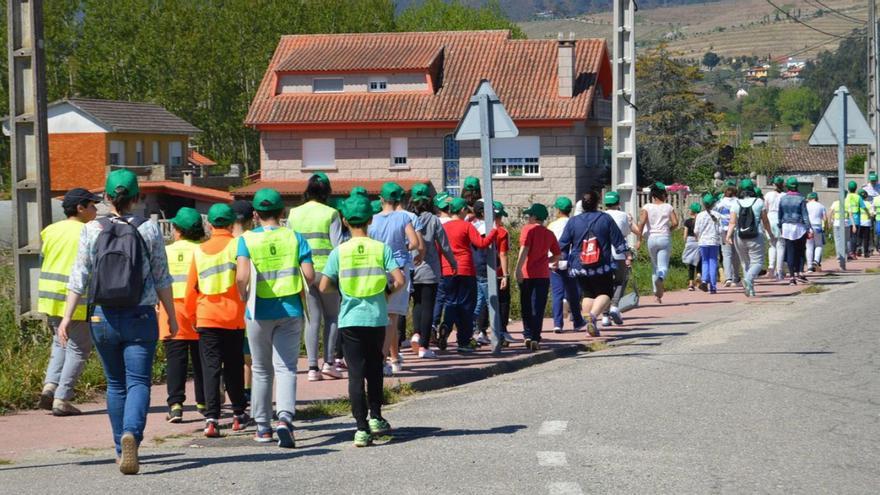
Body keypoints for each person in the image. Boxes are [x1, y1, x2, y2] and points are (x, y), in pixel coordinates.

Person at [59, 169, 177, 474]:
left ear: (107, 198)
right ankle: (132, 437)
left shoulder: (91, 229)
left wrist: (67, 318)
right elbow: (162, 277)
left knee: (115, 383)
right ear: (138, 197)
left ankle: (118, 447)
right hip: (140, 315)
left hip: (102, 315)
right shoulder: (149, 229)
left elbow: (79, 276)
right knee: (138, 381)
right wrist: (171, 317)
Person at [319, 195, 404, 447]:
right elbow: (399, 280)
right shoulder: (381, 248)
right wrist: (385, 292)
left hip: (349, 319)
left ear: (344, 221)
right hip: (376, 318)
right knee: (375, 367)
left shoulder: (339, 252)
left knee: (355, 374)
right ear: (370, 220)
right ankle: (377, 416)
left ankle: (360, 428)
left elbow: (324, 286)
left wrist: (344, 289)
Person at [236, 188, 314, 448]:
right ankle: (285, 419)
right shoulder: (295, 237)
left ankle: (262, 426)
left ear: (255, 214)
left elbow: (242, 276)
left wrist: (242, 295)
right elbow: (310, 275)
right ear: (283, 212)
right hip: (290, 309)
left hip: (257, 310)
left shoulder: (247, 239)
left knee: (260, 368)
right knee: (286, 367)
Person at [184, 203, 249, 438]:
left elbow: (191, 287)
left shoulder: (199, 250)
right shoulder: (237, 245)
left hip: (206, 316)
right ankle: (238, 415)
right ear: (232, 223)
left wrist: (192, 315)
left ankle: (211, 419)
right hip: (233, 317)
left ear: (209, 225)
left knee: (210, 368)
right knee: (233, 366)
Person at [37, 188, 101, 416]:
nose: (95, 210)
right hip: (75, 298)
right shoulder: (89, 232)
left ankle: (50, 386)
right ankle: (62, 398)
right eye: (92, 205)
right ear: (80, 208)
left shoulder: (49, 231)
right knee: (79, 348)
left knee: (60, 342)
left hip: (49, 296)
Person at [288, 173, 344, 381]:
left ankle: (312, 368)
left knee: (312, 320)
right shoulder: (331, 213)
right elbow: (337, 245)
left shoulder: (294, 213)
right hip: (327, 272)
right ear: (327, 192)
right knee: (332, 316)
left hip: (304, 272)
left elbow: (290, 243)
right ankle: (328, 362)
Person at [559, 191, 631, 337]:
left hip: (579, 265)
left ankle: (590, 327)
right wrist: (627, 254)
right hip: (601, 264)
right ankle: (592, 316)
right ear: (597, 204)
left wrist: (561, 260)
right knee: (606, 293)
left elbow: (563, 244)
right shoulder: (605, 219)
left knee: (588, 294)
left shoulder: (573, 221)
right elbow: (618, 241)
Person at [368, 182, 423, 374]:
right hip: (398, 268)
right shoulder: (403, 217)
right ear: (399, 199)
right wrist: (401, 248)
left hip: (377, 268)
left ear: (381, 199)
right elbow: (415, 242)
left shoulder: (372, 219)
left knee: (379, 314)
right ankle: (383, 360)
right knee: (392, 316)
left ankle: (386, 356)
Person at [161, 207, 206, 423]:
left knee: (176, 360)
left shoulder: (166, 251)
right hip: (198, 309)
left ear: (177, 230)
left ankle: (176, 405)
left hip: (172, 310)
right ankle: (203, 403)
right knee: (201, 359)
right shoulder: (203, 250)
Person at [439, 197, 497, 352]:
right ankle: (464, 341)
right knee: (466, 306)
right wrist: (494, 232)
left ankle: (446, 324)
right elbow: (481, 243)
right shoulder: (466, 226)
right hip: (465, 269)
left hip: (447, 270)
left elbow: (439, 248)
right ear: (463, 210)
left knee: (451, 302)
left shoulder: (443, 227)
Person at [410, 184, 456, 359]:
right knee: (428, 306)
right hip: (429, 269)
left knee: (417, 304)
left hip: (411, 267)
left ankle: (415, 333)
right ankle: (424, 346)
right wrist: (452, 262)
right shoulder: (434, 220)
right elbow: (444, 245)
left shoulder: (408, 218)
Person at [515, 203, 561, 350]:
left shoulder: (528, 229)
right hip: (542, 274)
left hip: (527, 273)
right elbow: (557, 255)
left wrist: (518, 269)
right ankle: (536, 336)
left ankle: (527, 334)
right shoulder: (549, 234)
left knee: (526, 304)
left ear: (534, 217)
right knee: (538, 306)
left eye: (530, 215)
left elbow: (524, 249)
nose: (528, 218)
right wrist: (546, 261)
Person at [727, 180, 773, 297]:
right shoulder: (759, 202)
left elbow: (732, 223)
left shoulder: (735, 203)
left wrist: (728, 236)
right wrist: (770, 234)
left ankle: (750, 289)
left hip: (739, 236)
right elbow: (765, 221)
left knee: (745, 262)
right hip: (756, 235)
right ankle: (748, 280)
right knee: (757, 262)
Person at [547, 197, 585, 333]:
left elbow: (548, 244)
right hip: (571, 261)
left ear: (557, 210)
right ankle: (577, 321)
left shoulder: (551, 225)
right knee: (573, 293)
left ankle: (557, 324)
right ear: (570, 210)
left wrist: (549, 260)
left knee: (557, 294)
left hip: (555, 261)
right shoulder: (574, 223)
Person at [636, 182, 678, 303]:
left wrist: (639, 240)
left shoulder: (647, 207)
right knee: (663, 266)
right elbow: (675, 223)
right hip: (664, 237)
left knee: (655, 266)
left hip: (651, 239)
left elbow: (642, 223)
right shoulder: (668, 207)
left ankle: (657, 295)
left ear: (652, 195)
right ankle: (660, 279)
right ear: (664, 195)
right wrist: (669, 230)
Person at [230, 199, 255, 404]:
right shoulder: (252, 240)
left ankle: (224, 389)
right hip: (249, 304)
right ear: (251, 219)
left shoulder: (226, 241)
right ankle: (248, 391)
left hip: (225, 307)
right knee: (249, 356)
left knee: (227, 354)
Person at [602, 191, 635, 325]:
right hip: (620, 253)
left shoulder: (601, 216)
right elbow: (626, 233)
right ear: (618, 203)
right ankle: (615, 306)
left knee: (605, 284)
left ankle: (604, 316)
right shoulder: (623, 215)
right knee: (620, 281)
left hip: (603, 254)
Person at [778, 177, 811, 284]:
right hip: (799, 226)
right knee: (801, 250)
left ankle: (792, 277)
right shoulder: (801, 199)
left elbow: (780, 214)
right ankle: (800, 272)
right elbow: (805, 215)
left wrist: (780, 226)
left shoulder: (783, 199)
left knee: (790, 251)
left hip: (786, 226)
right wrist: (808, 228)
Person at [714, 185, 741, 287]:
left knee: (726, 255)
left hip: (724, 231)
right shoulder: (738, 202)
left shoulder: (719, 203)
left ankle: (728, 278)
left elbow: (715, 217)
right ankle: (736, 277)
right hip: (736, 229)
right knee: (736, 254)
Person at [695, 193, 722, 294]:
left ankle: (704, 280)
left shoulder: (700, 215)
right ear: (713, 204)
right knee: (713, 262)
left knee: (705, 262)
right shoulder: (717, 215)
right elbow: (720, 230)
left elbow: (696, 230)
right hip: (714, 241)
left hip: (703, 241)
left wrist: (698, 237)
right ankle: (713, 286)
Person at [764, 177, 785, 280]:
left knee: (772, 245)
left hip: (770, 218)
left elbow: (765, 208)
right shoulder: (784, 196)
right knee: (780, 245)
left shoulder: (768, 195)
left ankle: (771, 267)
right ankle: (779, 270)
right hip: (780, 220)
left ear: (774, 184)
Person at [681, 202, 702, 292]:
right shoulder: (700, 220)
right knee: (699, 261)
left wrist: (685, 242)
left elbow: (685, 234)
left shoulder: (687, 221)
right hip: (699, 241)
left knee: (690, 263)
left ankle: (690, 284)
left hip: (690, 241)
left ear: (692, 211)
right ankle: (699, 276)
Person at [805, 193, 827, 272]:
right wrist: (826, 227)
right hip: (818, 226)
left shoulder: (806, 206)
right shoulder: (821, 206)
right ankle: (816, 260)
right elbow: (825, 218)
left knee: (809, 247)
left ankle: (809, 267)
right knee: (819, 245)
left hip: (809, 227)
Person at [857, 190, 874, 257]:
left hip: (859, 222)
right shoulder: (869, 204)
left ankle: (858, 249)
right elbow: (872, 214)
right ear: (866, 196)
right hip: (867, 223)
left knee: (859, 237)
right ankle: (866, 253)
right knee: (866, 238)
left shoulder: (858, 204)